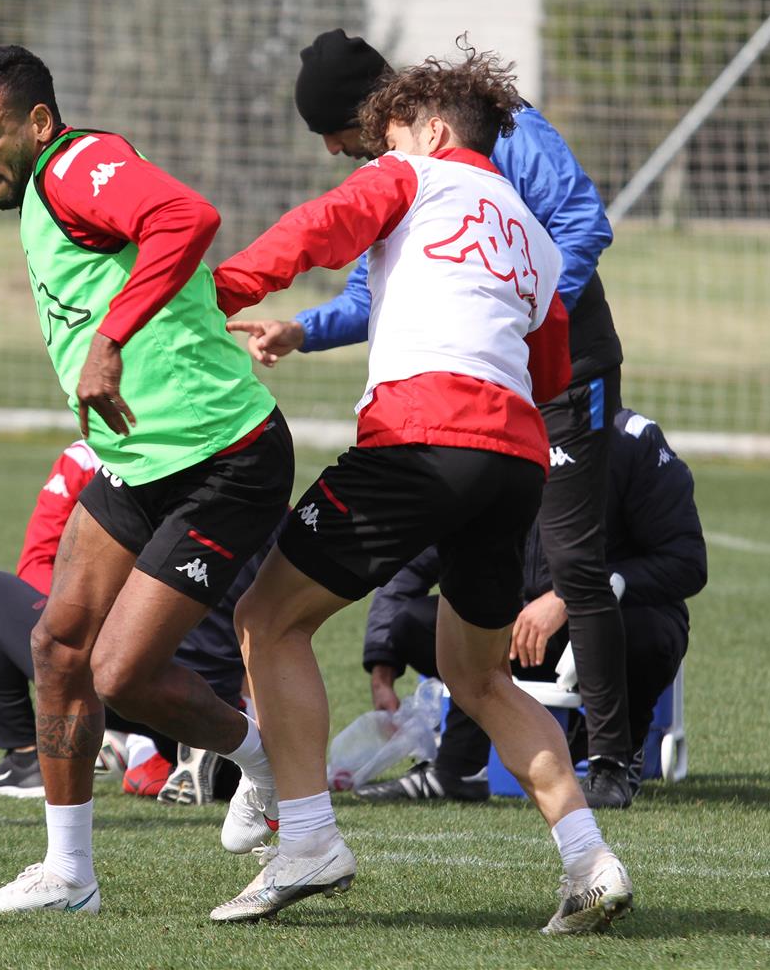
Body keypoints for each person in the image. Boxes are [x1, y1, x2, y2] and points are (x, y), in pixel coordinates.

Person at [208, 47, 633, 934]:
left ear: (433, 132)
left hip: (422, 435)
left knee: (265, 618)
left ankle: (308, 839)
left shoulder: (412, 175)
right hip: (515, 462)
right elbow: (550, 365)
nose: (379, 151)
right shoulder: (530, 234)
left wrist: (219, 290)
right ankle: (592, 860)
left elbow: (320, 227)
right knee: (479, 675)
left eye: (391, 134)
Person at [0, 45, 293, 915]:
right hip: (140, 461)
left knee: (121, 673)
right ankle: (69, 876)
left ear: (38, 121)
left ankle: (262, 761)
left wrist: (109, 342)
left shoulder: (77, 164)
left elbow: (186, 215)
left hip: (222, 457)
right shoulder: (38, 193)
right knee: (57, 646)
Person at [359, 408, 707, 802]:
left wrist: (573, 595)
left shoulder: (631, 440)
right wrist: (383, 667)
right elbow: (417, 556)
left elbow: (686, 562)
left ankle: (614, 759)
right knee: (415, 623)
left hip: (605, 625)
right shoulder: (490, 433)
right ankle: (460, 767)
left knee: (646, 632)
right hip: (515, 633)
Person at [0, 439, 257, 805]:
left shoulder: (94, 458)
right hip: (208, 701)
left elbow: (37, 565)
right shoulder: (255, 467)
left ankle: (27, 759)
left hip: (123, 677)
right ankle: (228, 743)